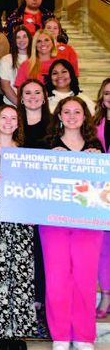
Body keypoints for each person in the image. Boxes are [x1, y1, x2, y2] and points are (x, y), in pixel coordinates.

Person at [42, 96, 102, 350]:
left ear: (84, 116)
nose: (72, 116)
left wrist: (97, 159)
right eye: (67, 111)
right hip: (53, 221)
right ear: (59, 116)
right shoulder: (48, 144)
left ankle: (83, 335)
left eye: (77, 112)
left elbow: (102, 187)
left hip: (88, 220)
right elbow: (36, 184)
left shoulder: (94, 144)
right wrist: (48, 161)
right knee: (56, 279)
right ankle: (61, 335)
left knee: (85, 278)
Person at [0, 105, 36, 350]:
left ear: (18, 123)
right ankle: (5, 331)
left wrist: (33, 213)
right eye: (3, 117)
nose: (8, 121)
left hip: (22, 216)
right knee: (0, 273)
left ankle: (21, 331)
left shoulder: (25, 152)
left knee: (23, 272)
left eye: (13, 118)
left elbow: (34, 188)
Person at [16, 79, 50, 308]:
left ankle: (42, 294)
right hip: (19, 193)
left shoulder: (54, 124)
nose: (32, 96)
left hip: (47, 195)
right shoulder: (13, 122)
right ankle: (24, 293)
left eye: (37, 92)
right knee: (22, 246)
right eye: (27, 92)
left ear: (45, 96)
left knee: (43, 247)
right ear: (20, 97)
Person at [93, 78, 110, 319]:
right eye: (107, 93)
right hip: (101, 191)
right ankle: (106, 293)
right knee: (103, 246)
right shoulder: (95, 124)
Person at [0, 25, 31, 105]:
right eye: (18, 37)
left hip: (34, 105)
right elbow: (5, 86)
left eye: (24, 36)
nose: (21, 40)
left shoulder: (36, 59)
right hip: (12, 105)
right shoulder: (6, 60)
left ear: (29, 39)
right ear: (14, 40)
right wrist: (20, 105)